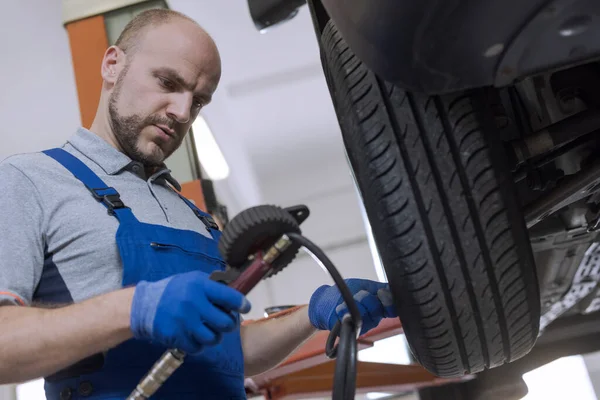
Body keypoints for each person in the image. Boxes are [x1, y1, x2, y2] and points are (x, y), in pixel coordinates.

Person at [0, 8, 397, 400]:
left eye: (199, 101)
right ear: (112, 64)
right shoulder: (31, 180)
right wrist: (135, 309)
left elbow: (230, 351)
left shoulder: (196, 215)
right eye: (167, 82)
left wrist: (311, 314)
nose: (182, 112)